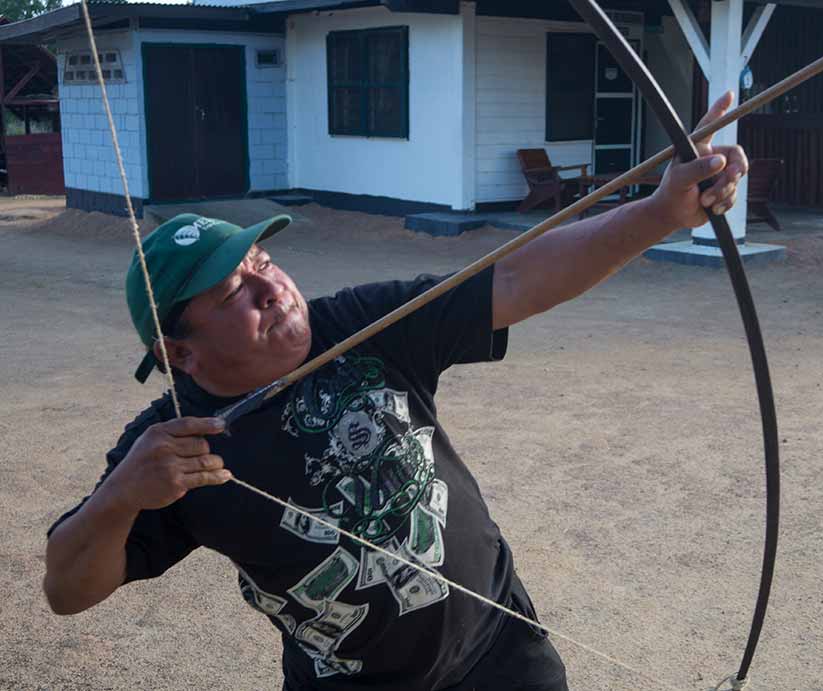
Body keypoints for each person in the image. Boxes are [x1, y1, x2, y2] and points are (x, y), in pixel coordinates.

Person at [43, 94, 749, 691]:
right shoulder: (171, 445)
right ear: (178, 351)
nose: (272, 287)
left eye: (263, 260)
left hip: (503, 654)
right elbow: (67, 589)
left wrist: (659, 213)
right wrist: (119, 498)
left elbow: (515, 279)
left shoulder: (359, 323)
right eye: (235, 290)